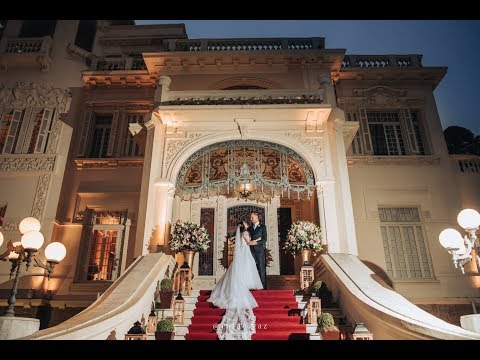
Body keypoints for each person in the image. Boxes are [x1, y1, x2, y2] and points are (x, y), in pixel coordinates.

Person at [207, 218, 263, 340]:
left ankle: (242, 282)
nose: (247, 224)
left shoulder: (241, 234)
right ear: (244, 226)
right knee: (247, 269)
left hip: (242, 254)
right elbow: (248, 243)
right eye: (246, 223)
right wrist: (257, 240)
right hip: (245, 253)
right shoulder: (245, 233)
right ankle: (244, 284)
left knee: (241, 270)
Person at [248, 212, 267, 289]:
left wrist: (256, 242)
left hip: (259, 250)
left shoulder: (262, 227)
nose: (251, 219)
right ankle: (253, 284)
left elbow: (264, 239)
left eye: (252, 217)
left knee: (261, 267)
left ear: (257, 217)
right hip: (250, 250)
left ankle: (262, 285)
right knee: (252, 267)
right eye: (251, 217)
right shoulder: (250, 228)